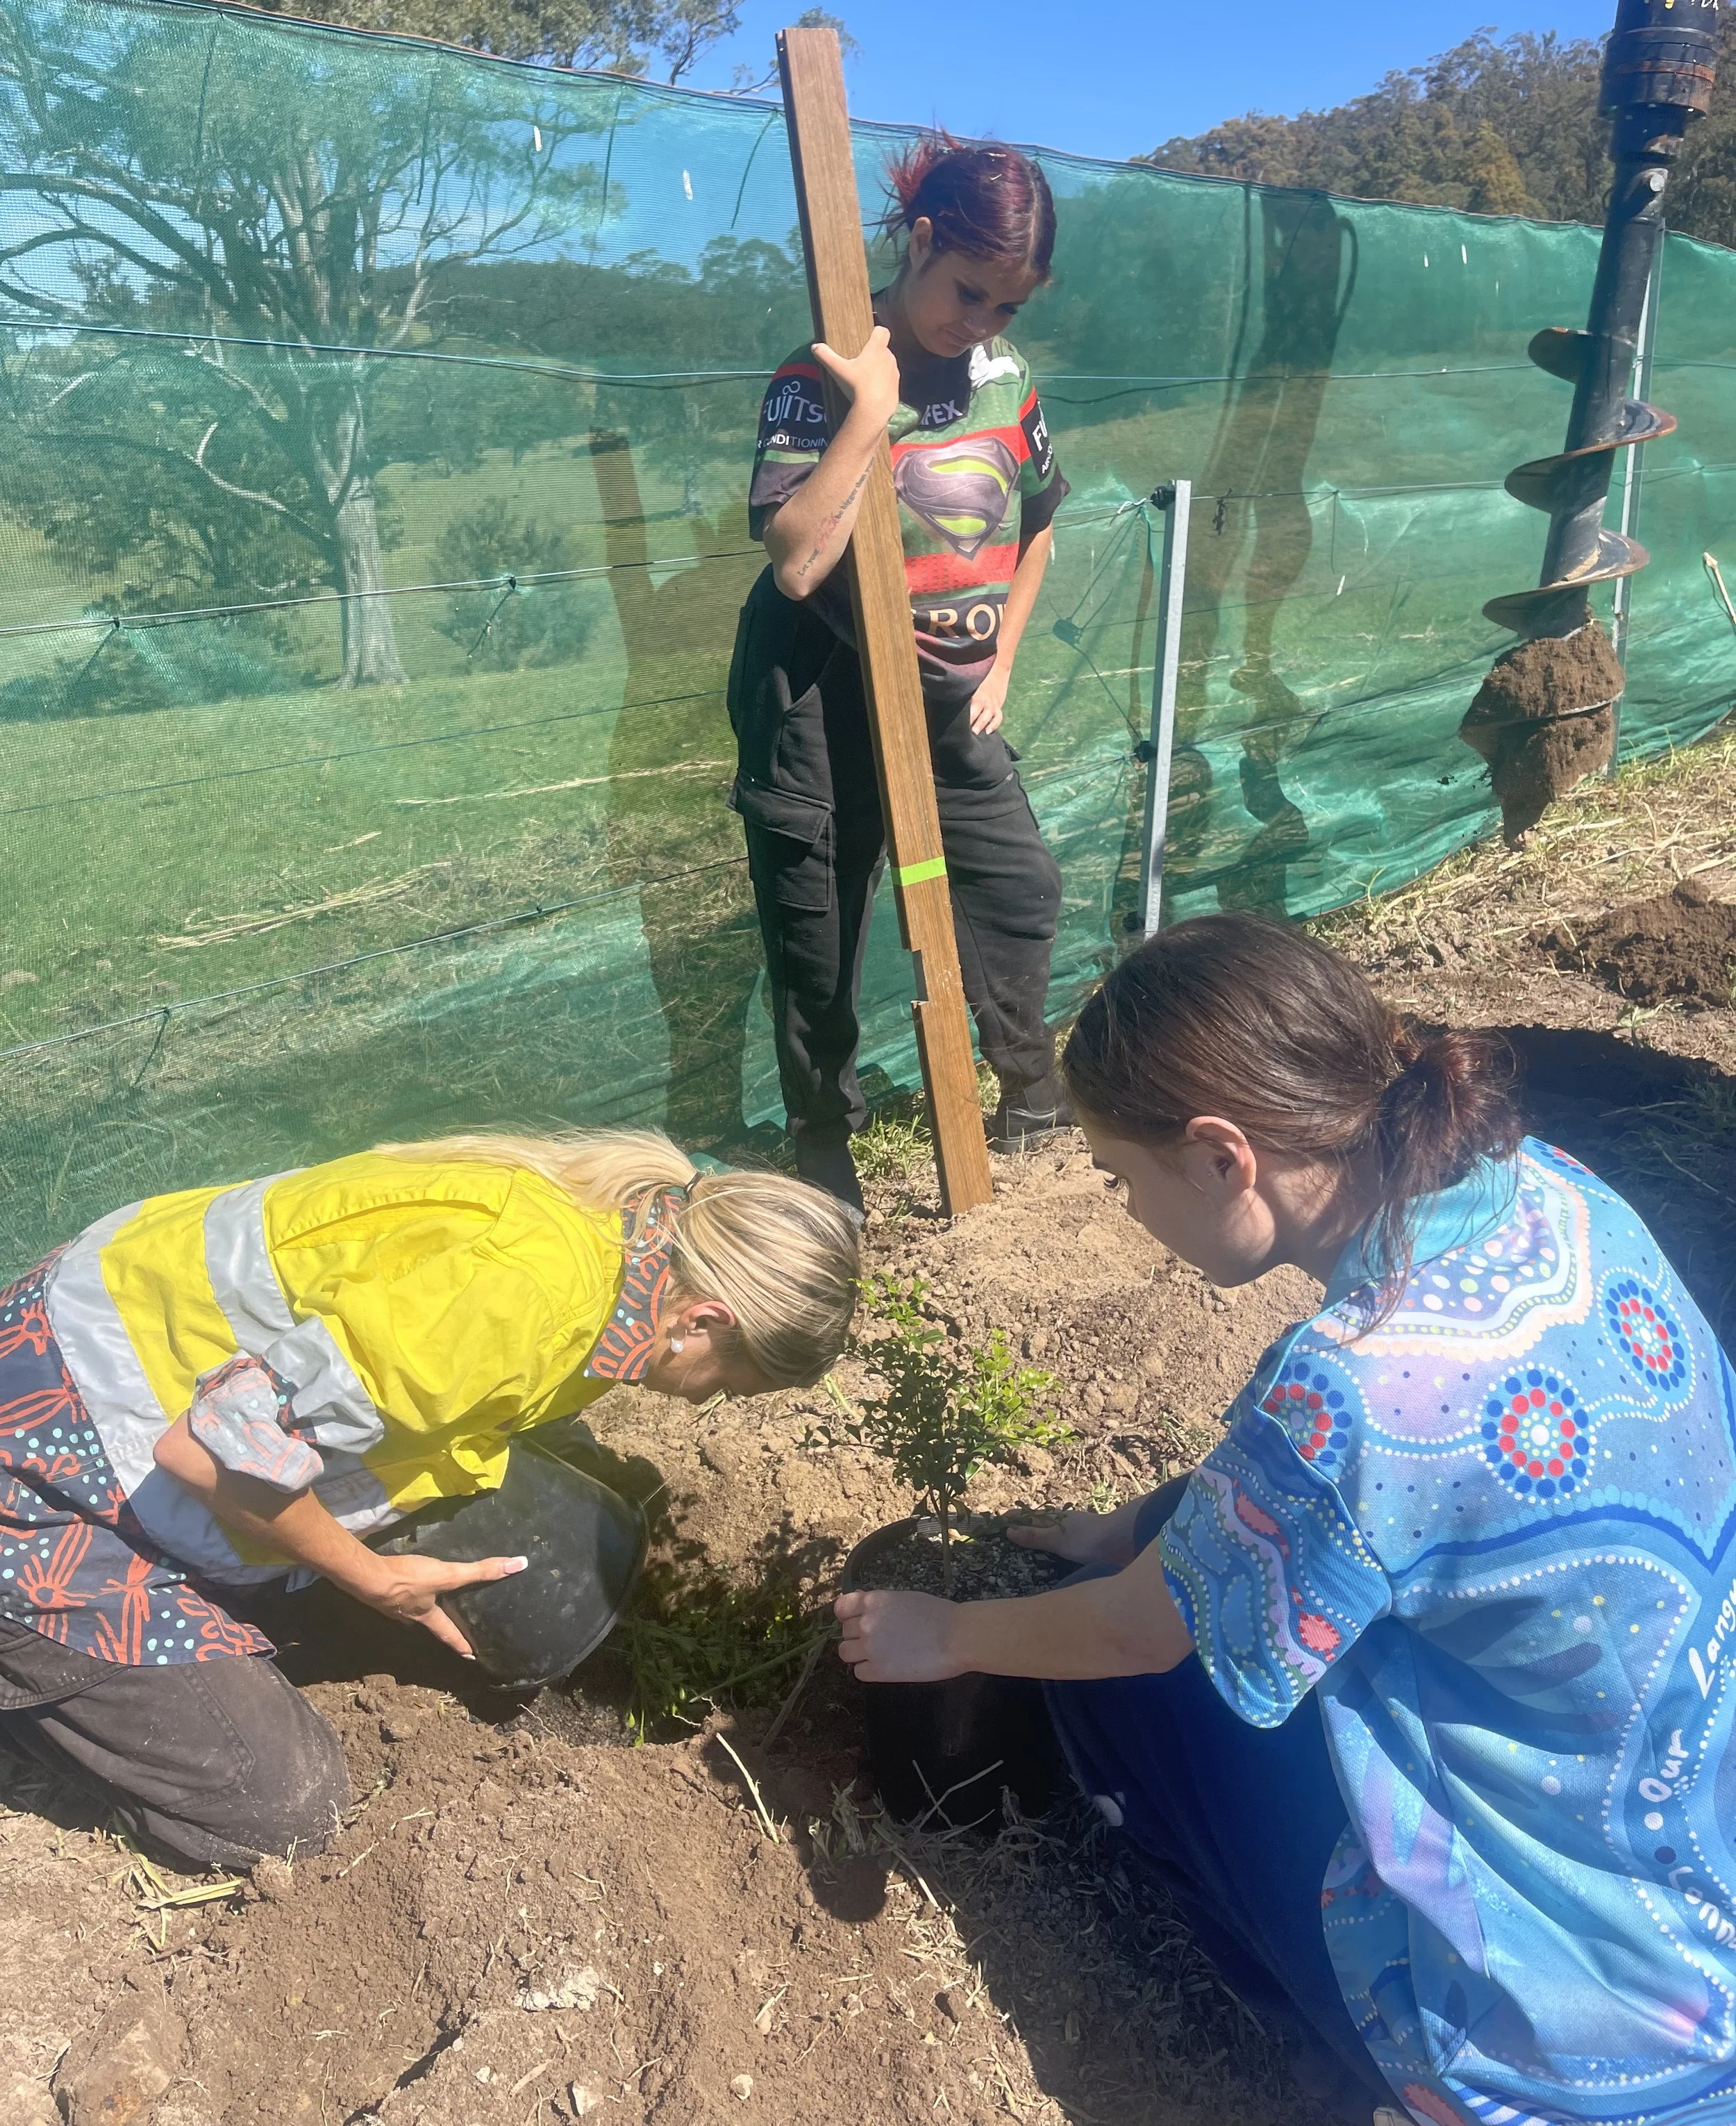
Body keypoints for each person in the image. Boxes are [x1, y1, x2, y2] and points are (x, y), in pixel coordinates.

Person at [836, 913, 1736, 2126]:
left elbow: (1137, 1631)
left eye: (1120, 1176)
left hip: (1566, 2041)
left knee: (1137, 1695)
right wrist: (1146, 1518)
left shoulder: (1355, 1384)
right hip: (1693, 1845)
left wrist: (949, 1634)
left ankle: (1347, 2049)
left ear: (1220, 1155)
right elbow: (1382, 1498)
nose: (1126, 1212)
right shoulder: (1553, 1191)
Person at [0, 1129, 856, 1868]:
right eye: (727, 1387)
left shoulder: (626, 1235)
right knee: (288, 1809)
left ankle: (233, 1597)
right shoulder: (511, 1305)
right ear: (704, 1320)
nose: (707, 1405)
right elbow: (209, 1452)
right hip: (54, 1468)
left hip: (136, 1381)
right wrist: (368, 1578)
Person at [731, 133, 1072, 1215]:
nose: (980, 325)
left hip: (949, 698)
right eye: (969, 292)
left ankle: (1030, 1098)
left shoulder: (1004, 379)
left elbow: (1042, 521)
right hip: (821, 696)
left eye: (1008, 308)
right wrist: (870, 414)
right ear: (921, 241)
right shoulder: (820, 372)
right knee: (821, 930)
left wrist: (1004, 653)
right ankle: (826, 1149)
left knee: (1019, 887)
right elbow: (794, 560)